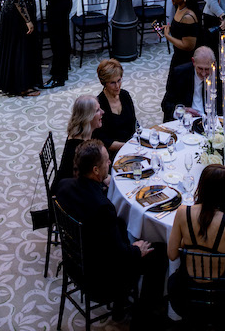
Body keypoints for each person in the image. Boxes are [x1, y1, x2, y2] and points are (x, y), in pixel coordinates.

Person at [54, 140, 166, 328]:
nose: (110, 164)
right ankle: (142, 318)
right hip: (99, 279)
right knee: (158, 252)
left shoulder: (64, 186)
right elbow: (118, 256)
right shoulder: (102, 207)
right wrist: (136, 251)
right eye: (107, 161)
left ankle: (120, 307)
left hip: (74, 263)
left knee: (122, 225)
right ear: (96, 170)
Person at [167, 163, 225, 319]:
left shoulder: (183, 212)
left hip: (187, 291)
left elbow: (172, 254)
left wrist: (190, 243)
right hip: (222, 294)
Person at [161, 46, 219, 121]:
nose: (204, 74)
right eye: (200, 68)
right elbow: (166, 104)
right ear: (193, 61)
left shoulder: (221, 77)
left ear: (213, 64)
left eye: (207, 69)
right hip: (186, 120)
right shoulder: (179, 73)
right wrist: (181, 111)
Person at [56, 94, 103, 183]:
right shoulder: (80, 146)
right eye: (97, 111)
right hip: (72, 190)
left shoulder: (82, 131)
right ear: (87, 116)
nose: (102, 112)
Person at [159, 0, 202, 73]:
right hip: (178, 55)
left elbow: (188, 46)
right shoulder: (179, 7)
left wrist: (168, 36)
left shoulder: (188, 17)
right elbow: (181, 28)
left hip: (185, 60)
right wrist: (169, 28)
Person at [95, 59, 137, 155]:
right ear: (104, 83)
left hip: (131, 145)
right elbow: (104, 141)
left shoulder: (125, 95)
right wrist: (128, 146)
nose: (117, 86)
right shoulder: (99, 104)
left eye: (119, 80)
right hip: (110, 154)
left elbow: (133, 123)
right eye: (112, 83)